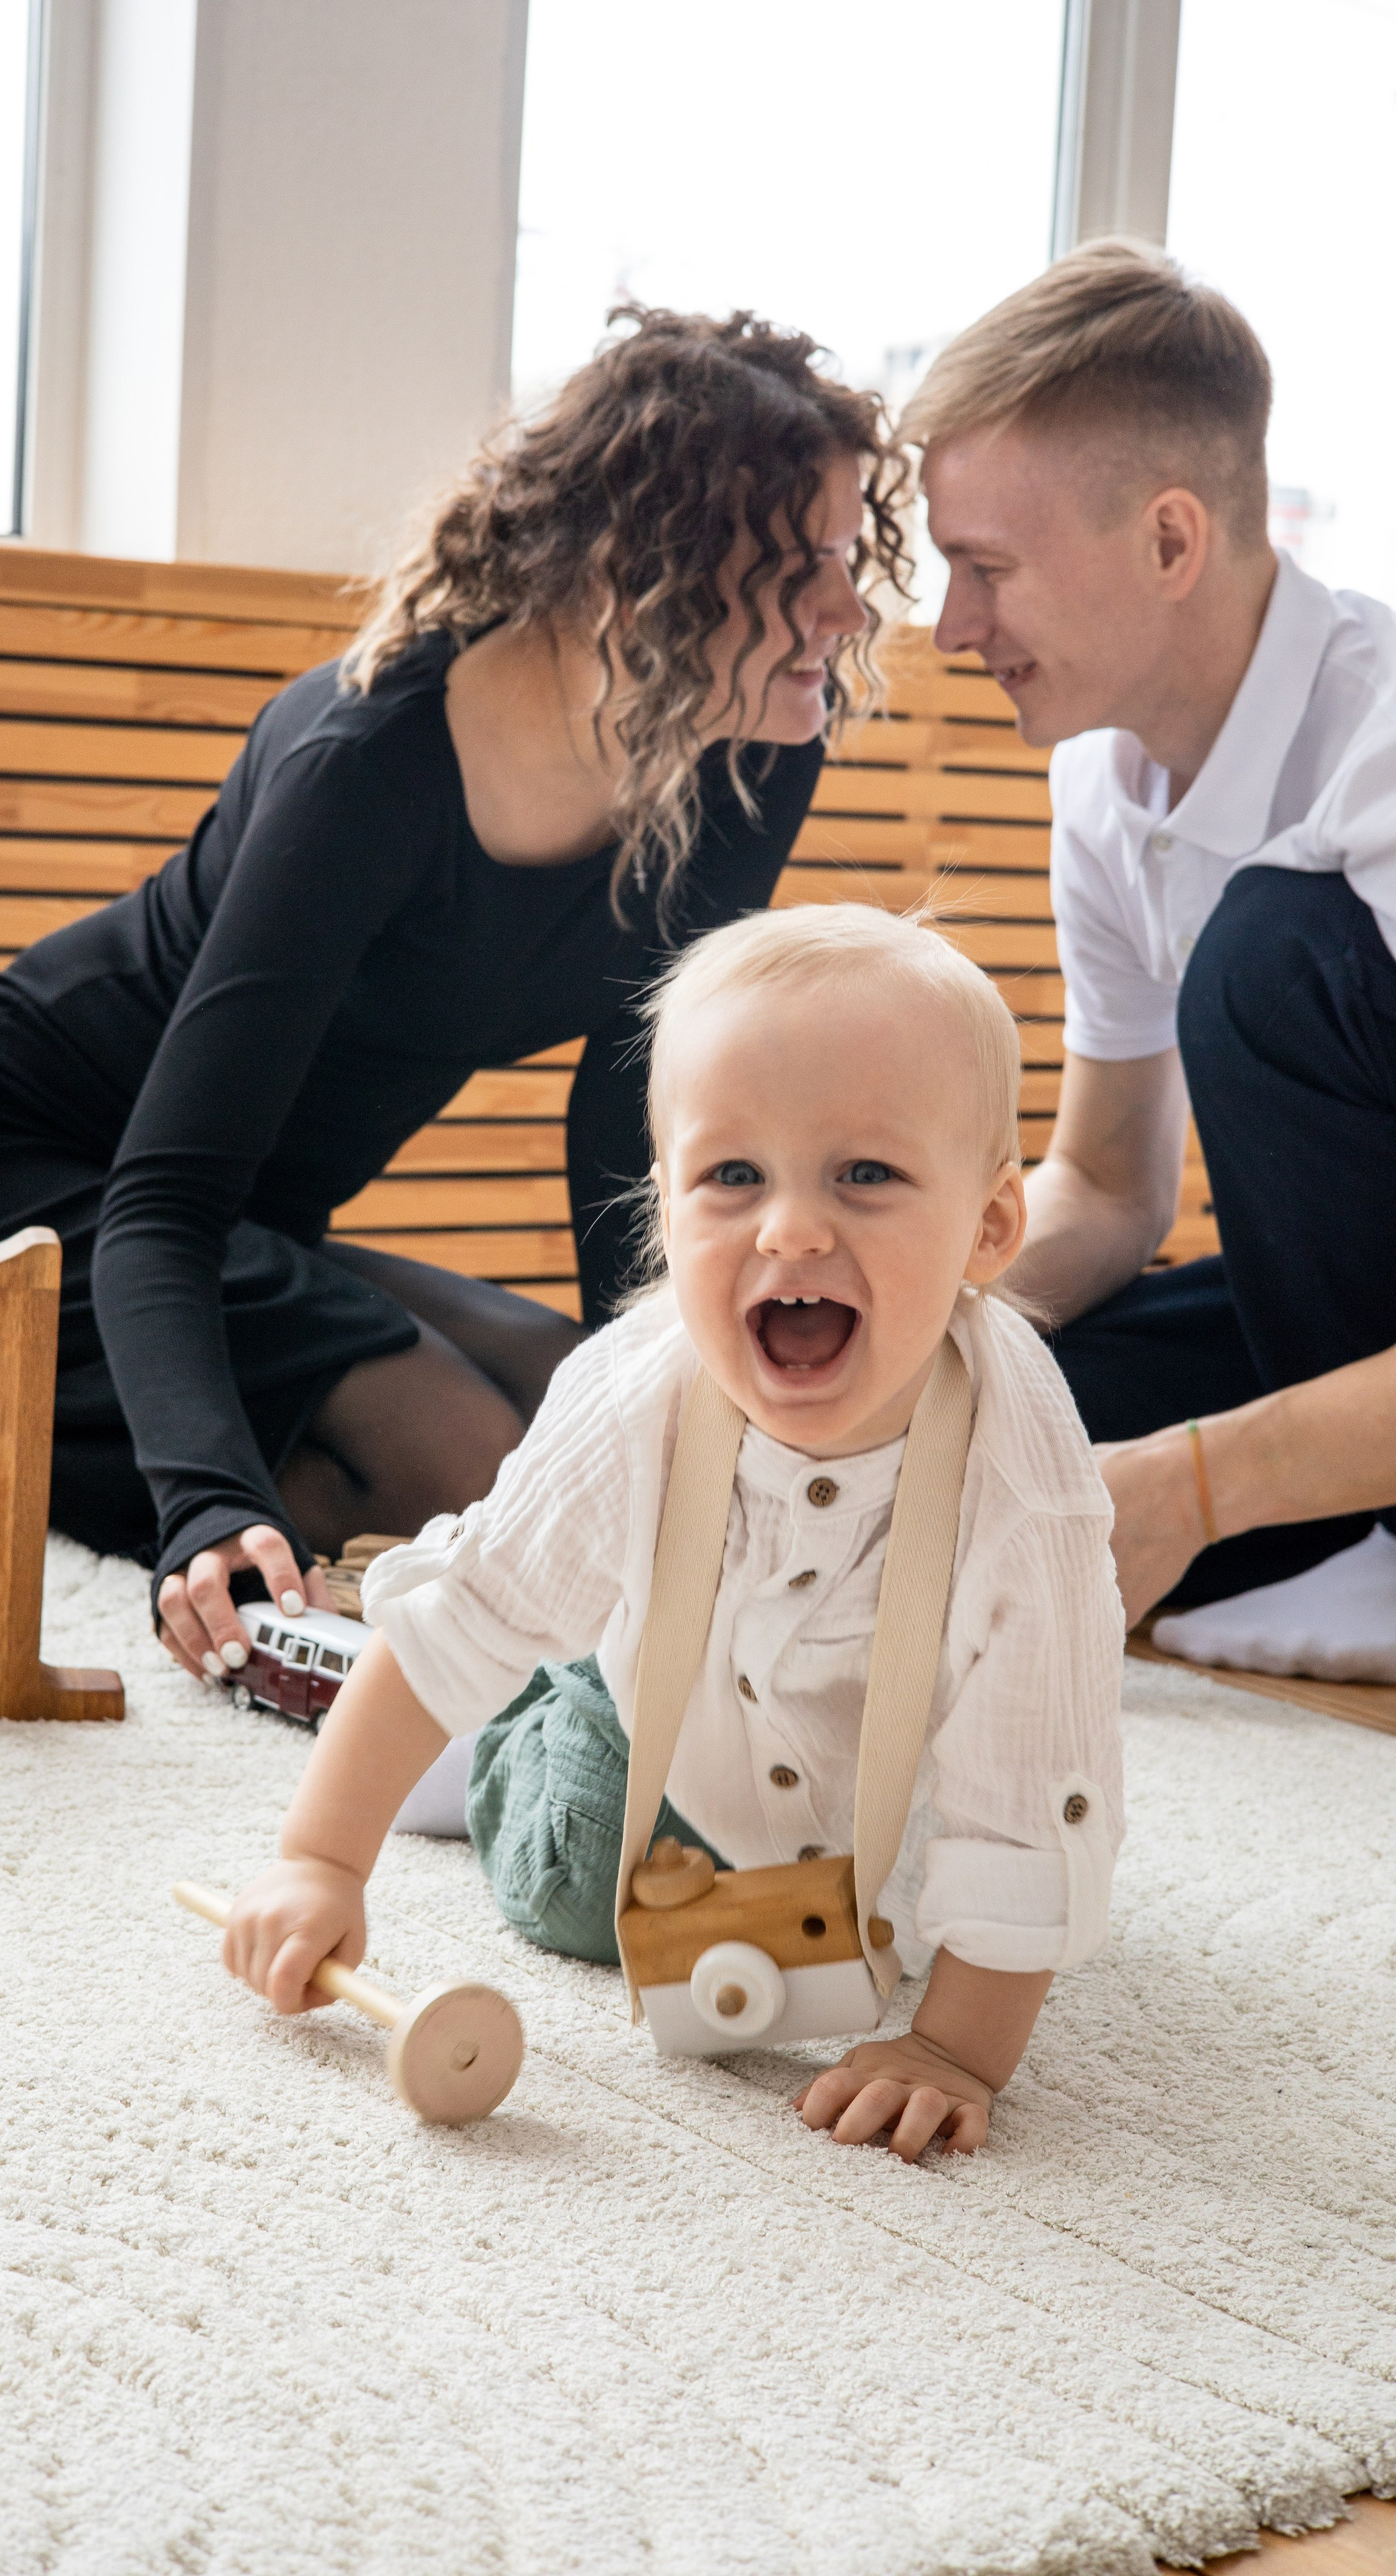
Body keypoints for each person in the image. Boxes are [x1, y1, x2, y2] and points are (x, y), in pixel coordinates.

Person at [0, 307, 912, 1677]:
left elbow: (627, 1102)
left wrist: (664, 1398)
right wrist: (201, 1504)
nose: (849, 606)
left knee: (563, 1417)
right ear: (645, 568)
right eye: (802, 564)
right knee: (472, 1464)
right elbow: (162, 1194)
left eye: (845, 555)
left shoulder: (743, 746)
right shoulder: (368, 763)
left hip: (238, 1226)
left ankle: (28, 1421)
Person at [220, 905, 1125, 2161]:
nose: (792, 1229)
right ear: (664, 1209)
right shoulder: (636, 1394)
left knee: (942, 1914)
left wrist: (953, 2048)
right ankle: (497, 1729)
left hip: (893, 1789)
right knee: (585, 1881)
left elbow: (1037, 1783)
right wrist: (320, 1860)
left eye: (865, 1174)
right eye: (733, 1176)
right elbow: (464, 1617)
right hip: (661, 1712)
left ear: (988, 1228)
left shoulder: (1029, 1479)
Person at [905, 241, 1396, 1674]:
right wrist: (927, 1335)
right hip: (1335, 1331)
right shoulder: (1103, 781)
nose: (950, 629)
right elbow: (1111, 1188)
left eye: (983, 570)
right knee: (999, 1412)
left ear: (1168, 541)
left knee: (1265, 956)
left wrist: (1193, 1488)